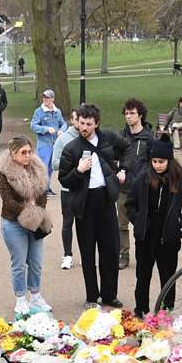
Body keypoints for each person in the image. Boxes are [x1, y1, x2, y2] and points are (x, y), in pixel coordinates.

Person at [57, 103, 130, 307]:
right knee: (88, 253)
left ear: (96, 123)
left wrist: (123, 169)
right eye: (81, 123)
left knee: (110, 249)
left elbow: (127, 149)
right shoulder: (71, 148)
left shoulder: (109, 138)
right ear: (76, 122)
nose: (84, 128)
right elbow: (64, 180)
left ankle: (109, 295)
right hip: (84, 205)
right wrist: (79, 170)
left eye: (89, 124)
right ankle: (91, 296)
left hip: (106, 200)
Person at [125, 138, 182, 318]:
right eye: (155, 161)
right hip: (145, 236)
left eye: (162, 162)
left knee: (168, 276)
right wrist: (139, 220)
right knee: (143, 276)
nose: (157, 165)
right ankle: (141, 309)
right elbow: (129, 204)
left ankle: (166, 310)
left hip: (169, 237)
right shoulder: (143, 177)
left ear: (169, 161)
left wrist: (181, 221)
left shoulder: (181, 178)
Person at [0, 136, 52, 317]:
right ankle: (21, 298)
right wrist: (30, 214)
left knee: (35, 262)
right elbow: (8, 201)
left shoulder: (38, 168)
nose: (28, 155)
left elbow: (43, 193)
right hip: (13, 222)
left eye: (30, 151)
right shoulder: (4, 173)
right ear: (13, 154)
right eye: (23, 152)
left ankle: (35, 295)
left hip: (36, 221)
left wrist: (38, 215)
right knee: (19, 263)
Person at [116, 99, 156, 270]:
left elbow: (155, 163)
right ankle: (123, 255)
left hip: (143, 189)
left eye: (132, 113)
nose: (128, 116)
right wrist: (117, 169)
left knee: (144, 223)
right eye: (126, 113)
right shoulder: (121, 136)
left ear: (140, 115)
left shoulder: (149, 137)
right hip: (123, 189)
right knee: (121, 225)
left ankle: (146, 254)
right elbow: (113, 158)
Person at [51, 110, 81, 270]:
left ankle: (86, 254)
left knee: (87, 223)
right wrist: (73, 164)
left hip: (86, 188)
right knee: (68, 222)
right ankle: (67, 255)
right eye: (77, 119)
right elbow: (54, 163)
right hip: (68, 188)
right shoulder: (63, 139)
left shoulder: (90, 137)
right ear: (71, 120)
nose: (81, 123)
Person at [30, 89, 64, 188]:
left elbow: (63, 123)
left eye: (47, 97)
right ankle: (41, 190)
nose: (45, 99)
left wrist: (62, 130)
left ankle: (47, 188)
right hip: (44, 143)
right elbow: (33, 126)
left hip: (55, 144)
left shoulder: (57, 111)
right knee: (42, 167)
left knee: (50, 168)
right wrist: (46, 129)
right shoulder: (39, 111)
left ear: (53, 99)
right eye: (44, 97)